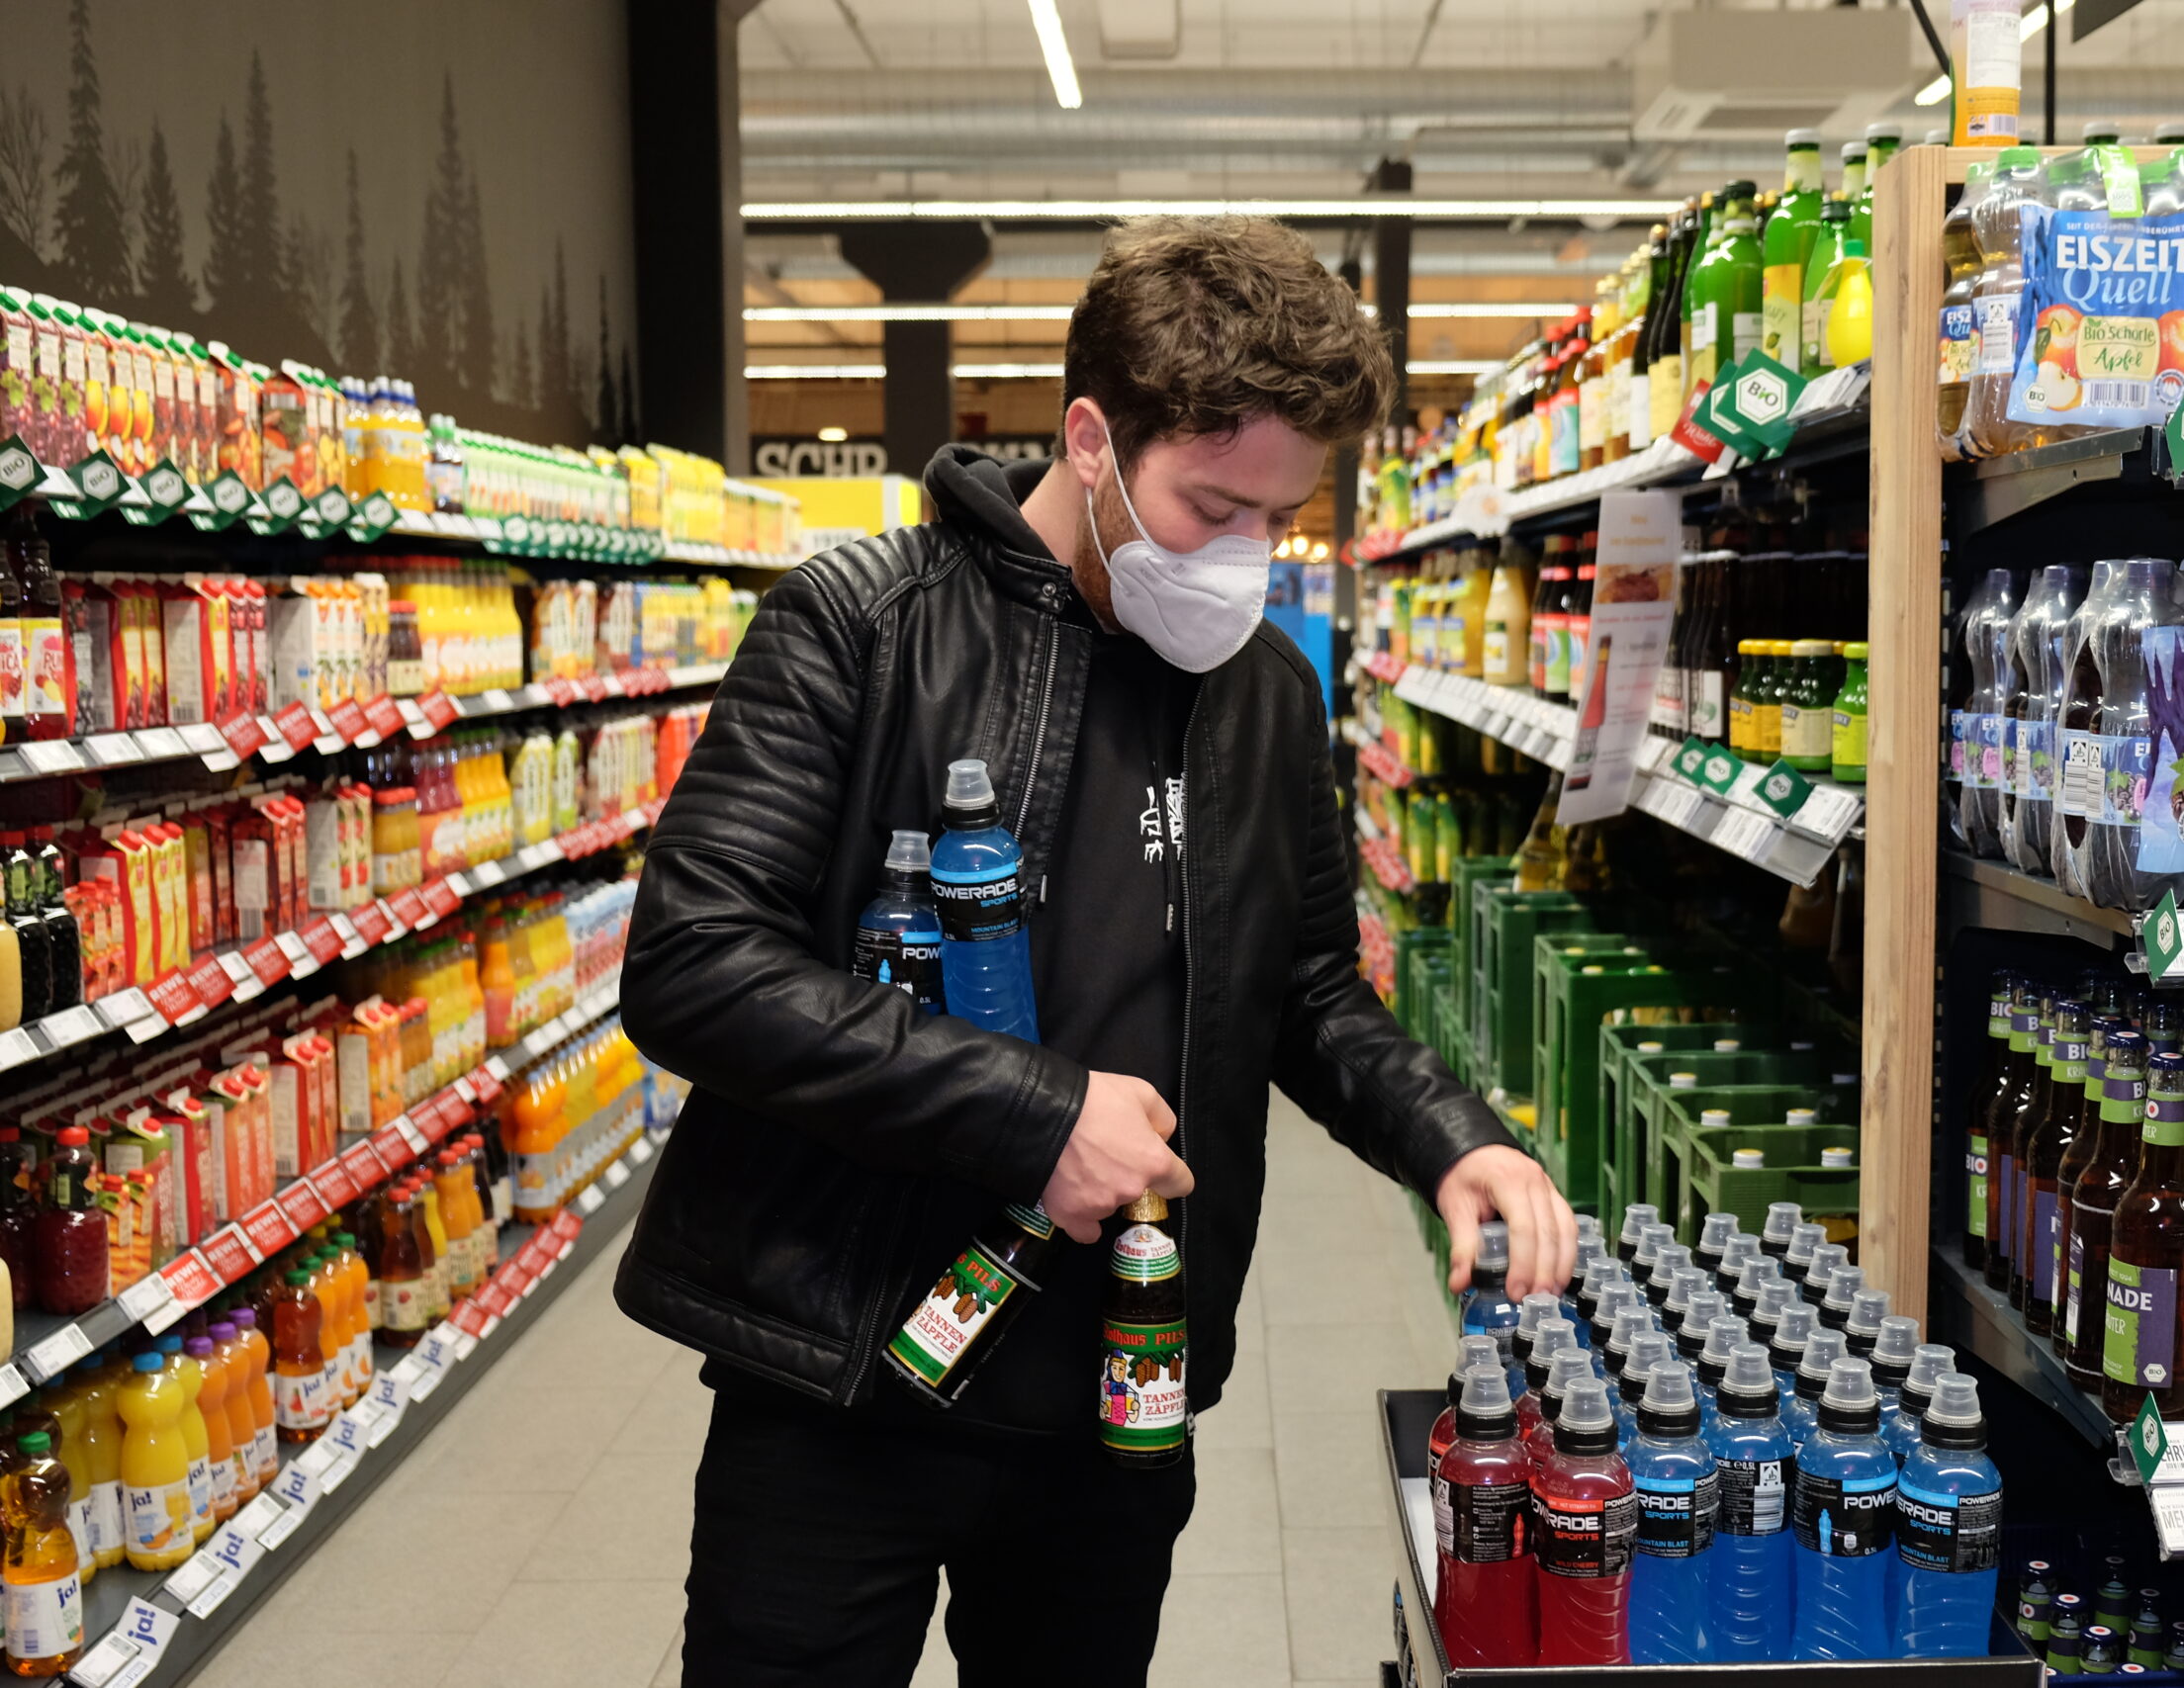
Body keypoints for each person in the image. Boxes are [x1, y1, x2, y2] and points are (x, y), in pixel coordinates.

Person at [616, 215, 1576, 1686]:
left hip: (1119, 1393)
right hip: (842, 1379)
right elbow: (695, 964)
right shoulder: (861, 626)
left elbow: (1309, 987)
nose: (1247, 558)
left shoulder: (1261, 692)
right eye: (1210, 508)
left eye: (1283, 520)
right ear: (1088, 440)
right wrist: (1040, 1113)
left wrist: (1450, 1140)